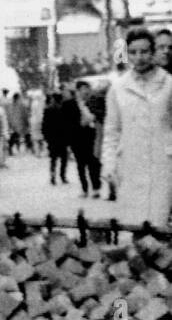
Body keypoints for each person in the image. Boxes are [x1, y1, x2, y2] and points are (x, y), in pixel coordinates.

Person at [102, 28, 172, 228]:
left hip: (164, 167)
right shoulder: (118, 88)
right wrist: (109, 164)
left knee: (161, 226)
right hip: (131, 166)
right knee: (136, 227)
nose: (139, 57)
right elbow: (112, 130)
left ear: (153, 52)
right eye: (133, 52)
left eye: (144, 51)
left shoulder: (168, 84)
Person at [68, 81, 103, 199]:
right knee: (80, 165)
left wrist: (93, 118)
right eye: (84, 89)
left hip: (91, 137)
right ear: (77, 91)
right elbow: (66, 122)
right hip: (76, 138)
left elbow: (101, 114)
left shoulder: (93, 102)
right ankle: (84, 189)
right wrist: (80, 124)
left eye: (88, 89)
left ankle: (96, 188)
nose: (86, 92)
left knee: (94, 163)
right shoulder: (69, 104)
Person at [42, 91, 74, 186]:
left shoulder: (48, 109)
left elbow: (44, 125)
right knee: (64, 158)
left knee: (53, 158)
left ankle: (53, 176)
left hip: (52, 139)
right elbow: (68, 125)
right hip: (62, 138)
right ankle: (62, 176)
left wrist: (46, 137)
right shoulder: (64, 110)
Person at [27, 88, 46, 155]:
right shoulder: (40, 103)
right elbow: (40, 113)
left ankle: (37, 152)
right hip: (39, 121)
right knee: (40, 137)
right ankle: (40, 151)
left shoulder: (33, 103)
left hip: (34, 121)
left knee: (35, 138)